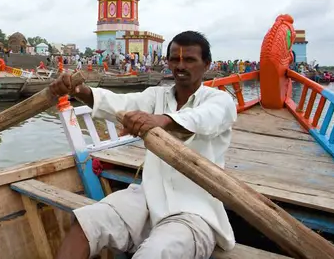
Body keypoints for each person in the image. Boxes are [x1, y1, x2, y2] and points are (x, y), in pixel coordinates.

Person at [50, 31, 237, 259]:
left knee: (154, 253)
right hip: (148, 196)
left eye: (189, 60)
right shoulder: (155, 96)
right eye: (175, 59)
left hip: (194, 210)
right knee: (86, 224)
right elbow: (118, 103)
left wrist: (161, 120)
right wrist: (78, 90)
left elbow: (202, 119)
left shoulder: (220, 100)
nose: (180, 66)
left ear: (206, 64)